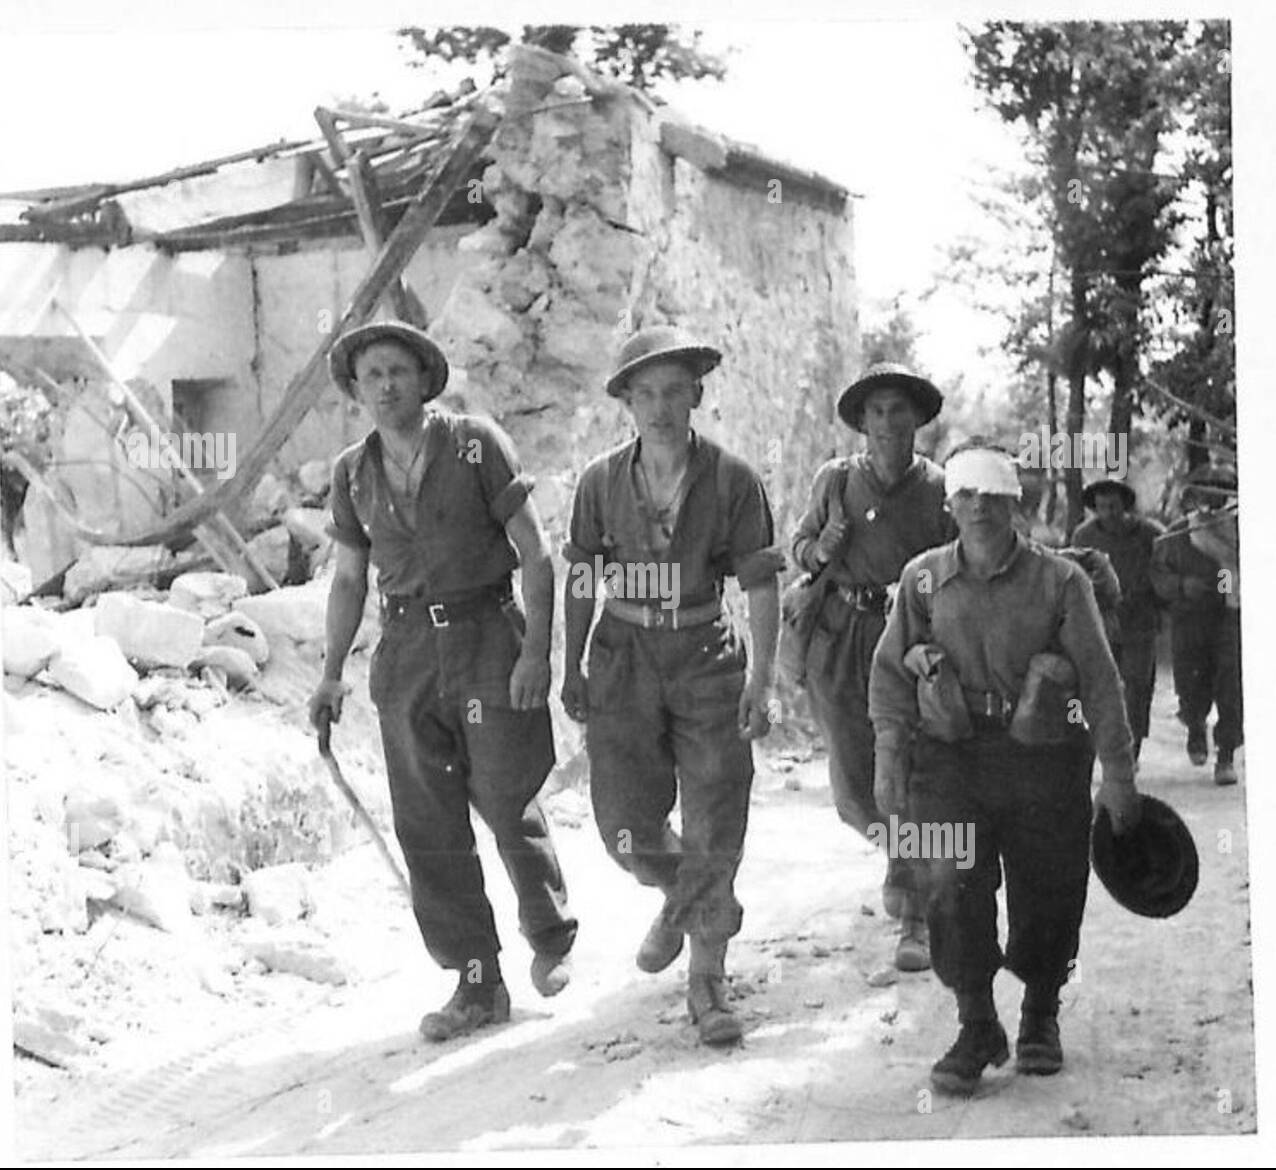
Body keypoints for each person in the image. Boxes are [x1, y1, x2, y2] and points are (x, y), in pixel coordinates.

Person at [309, 319, 577, 1043]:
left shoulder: (474, 443)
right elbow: (347, 579)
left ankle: (548, 926)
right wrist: (331, 674)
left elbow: (537, 554)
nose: (387, 385)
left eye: (399, 370)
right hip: (406, 652)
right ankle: (477, 980)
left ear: (425, 378)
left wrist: (537, 656)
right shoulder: (353, 473)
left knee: (504, 790)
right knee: (427, 819)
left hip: (488, 634)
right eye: (373, 375)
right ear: (357, 390)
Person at [869, 440, 1141, 1096]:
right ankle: (976, 1021)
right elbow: (889, 673)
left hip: (1043, 754)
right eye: (966, 496)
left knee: (1049, 882)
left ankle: (1041, 1012)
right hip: (949, 755)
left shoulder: (1060, 581)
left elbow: (1101, 682)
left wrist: (1119, 774)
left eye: (993, 497)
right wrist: (887, 755)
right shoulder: (923, 578)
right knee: (947, 881)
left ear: (1014, 503)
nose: (979, 509)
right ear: (950, 504)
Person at [560, 326, 782, 1046]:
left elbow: (759, 583)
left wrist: (763, 679)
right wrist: (569, 664)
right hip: (622, 651)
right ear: (626, 401)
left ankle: (708, 983)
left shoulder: (733, 480)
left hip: (703, 651)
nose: (660, 406)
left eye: (674, 391)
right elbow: (582, 574)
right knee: (622, 822)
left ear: (697, 396)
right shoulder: (599, 483)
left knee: (718, 809)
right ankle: (687, 892)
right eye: (645, 392)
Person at [789, 362, 953, 972]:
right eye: (876, 412)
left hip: (906, 642)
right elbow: (798, 549)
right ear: (861, 422)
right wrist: (820, 547)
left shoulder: (939, 488)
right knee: (856, 792)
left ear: (917, 419)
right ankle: (898, 856)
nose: (887, 423)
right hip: (841, 636)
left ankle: (915, 911)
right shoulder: (834, 481)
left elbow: (958, 564)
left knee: (905, 771)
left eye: (898, 410)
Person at [1150, 464, 1242, 785]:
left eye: (1221, 488)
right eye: (1206, 488)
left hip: (1231, 617)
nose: (1213, 496)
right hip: (1190, 620)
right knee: (1190, 683)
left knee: (1232, 684)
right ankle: (1195, 727)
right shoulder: (1179, 533)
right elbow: (1158, 573)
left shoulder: (1242, 529)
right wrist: (1181, 586)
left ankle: (1227, 753)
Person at [1072, 478, 1164, 762]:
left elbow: (1164, 572)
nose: (1108, 512)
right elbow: (1075, 576)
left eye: (1113, 506)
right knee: (1103, 686)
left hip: (1140, 623)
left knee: (1136, 686)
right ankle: (1107, 746)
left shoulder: (1150, 534)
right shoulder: (1084, 537)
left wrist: (1150, 593)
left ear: (1125, 506)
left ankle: (1131, 751)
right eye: (1101, 507)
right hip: (1103, 624)